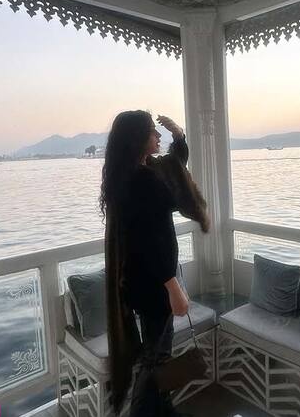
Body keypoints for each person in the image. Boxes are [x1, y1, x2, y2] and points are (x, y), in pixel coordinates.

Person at [100, 110, 191, 417]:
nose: (158, 135)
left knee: (157, 353)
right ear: (138, 139)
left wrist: (179, 135)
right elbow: (149, 241)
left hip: (141, 281)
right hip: (155, 284)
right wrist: (172, 286)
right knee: (155, 358)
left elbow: (174, 168)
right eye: (153, 131)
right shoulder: (143, 181)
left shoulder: (132, 175)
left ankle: (164, 409)